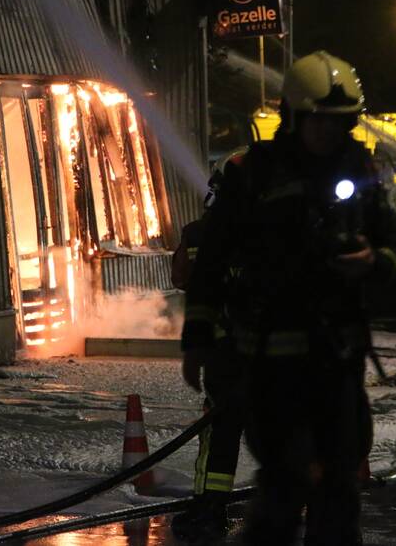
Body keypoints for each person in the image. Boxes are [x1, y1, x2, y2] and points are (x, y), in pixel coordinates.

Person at [182, 51, 396, 545]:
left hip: (337, 360)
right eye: (321, 122)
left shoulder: (363, 171)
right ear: (295, 116)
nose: (331, 134)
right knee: (287, 481)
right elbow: (210, 261)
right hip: (269, 363)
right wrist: (197, 339)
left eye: (342, 123)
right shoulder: (251, 174)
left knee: (339, 486)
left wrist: (375, 261)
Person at [171, 150, 250, 542]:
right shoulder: (287, 235)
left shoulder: (202, 233)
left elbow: (181, 278)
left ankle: (210, 507)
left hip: (225, 357)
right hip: (278, 357)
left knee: (219, 435)